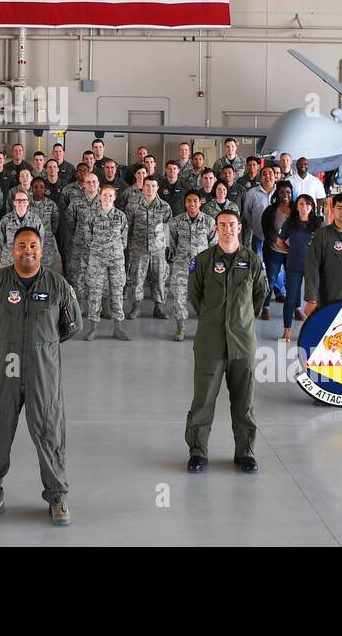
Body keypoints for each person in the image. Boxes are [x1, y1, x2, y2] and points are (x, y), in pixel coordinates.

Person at [0, 226, 80, 526]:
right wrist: (6, 343)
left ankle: (57, 497)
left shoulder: (58, 286)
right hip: (6, 369)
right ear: (12, 249)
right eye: (21, 245)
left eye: (33, 245)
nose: (27, 250)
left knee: (49, 433)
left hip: (42, 374)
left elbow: (72, 326)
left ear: (41, 250)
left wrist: (41, 349)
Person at [184, 211, 268, 474]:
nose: (227, 229)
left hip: (242, 342)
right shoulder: (203, 261)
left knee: (244, 401)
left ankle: (245, 452)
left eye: (232, 225)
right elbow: (194, 295)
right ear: (216, 229)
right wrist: (214, 319)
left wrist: (239, 320)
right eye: (222, 225)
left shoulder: (253, 261)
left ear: (239, 228)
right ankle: (198, 451)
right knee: (203, 399)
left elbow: (259, 296)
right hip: (210, 342)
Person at [166, 191, 217, 340]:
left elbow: (213, 244)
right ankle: (180, 329)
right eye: (189, 201)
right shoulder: (176, 222)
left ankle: (203, 330)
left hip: (202, 267)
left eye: (195, 200)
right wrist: (178, 257)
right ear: (185, 203)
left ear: (200, 202)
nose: (192, 204)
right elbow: (172, 242)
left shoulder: (209, 222)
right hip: (181, 265)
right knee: (179, 297)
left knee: (205, 299)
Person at [82, 184, 129, 340]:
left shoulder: (121, 216)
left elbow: (124, 239)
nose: (107, 198)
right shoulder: (92, 215)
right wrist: (99, 249)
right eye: (104, 195)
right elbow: (87, 237)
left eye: (110, 195)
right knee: (95, 293)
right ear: (100, 196)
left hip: (116, 260)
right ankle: (93, 328)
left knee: (117, 292)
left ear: (114, 197)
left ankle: (118, 328)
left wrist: (114, 250)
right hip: (97, 259)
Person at [276, 193, 321, 342]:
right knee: (290, 299)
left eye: (308, 204)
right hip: (294, 265)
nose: (304, 207)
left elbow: (323, 245)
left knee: (313, 300)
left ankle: (313, 329)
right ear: (296, 206)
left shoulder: (318, 223)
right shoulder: (290, 222)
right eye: (301, 204)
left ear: (312, 207)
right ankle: (287, 330)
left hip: (313, 267)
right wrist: (291, 251)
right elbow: (279, 241)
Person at [125, 177, 171, 319]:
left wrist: (167, 249)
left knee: (159, 278)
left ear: (157, 188)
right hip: (139, 249)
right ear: (143, 187)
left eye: (153, 186)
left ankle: (159, 307)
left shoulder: (164, 207)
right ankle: (136, 307)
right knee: (137, 278)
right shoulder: (133, 206)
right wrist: (129, 247)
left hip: (158, 250)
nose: (150, 189)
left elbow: (167, 228)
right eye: (147, 186)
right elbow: (128, 228)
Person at [260, 183, 294, 318]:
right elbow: (265, 228)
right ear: (277, 193)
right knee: (271, 279)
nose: (285, 195)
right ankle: (266, 306)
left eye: (288, 192)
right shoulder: (270, 210)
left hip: (292, 252)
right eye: (282, 192)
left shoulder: (297, 209)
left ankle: (295, 307)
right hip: (274, 251)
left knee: (292, 281)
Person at [0, 189, 44, 269]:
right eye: (18, 200)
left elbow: (40, 240)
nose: (21, 203)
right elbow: (1, 240)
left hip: (28, 258)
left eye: (24, 200)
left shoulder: (35, 220)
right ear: (14, 202)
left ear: (28, 202)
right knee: (7, 280)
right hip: (9, 260)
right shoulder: (6, 219)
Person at [27, 178, 62, 273]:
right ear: (31, 189)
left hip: (47, 243)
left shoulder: (51, 204)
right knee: (31, 268)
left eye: (42, 187)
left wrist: (49, 232)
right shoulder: (26, 204)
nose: (39, 190)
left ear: (45, 189)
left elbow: (55, 221)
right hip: (30, 243)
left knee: (47, 270)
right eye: (36, 187)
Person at [289, 157, 328, 221]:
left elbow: (321, 198)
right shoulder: (289, 180)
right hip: (294, 215)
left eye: (305, 164)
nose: (303, 165)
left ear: (308, 166)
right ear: (296, 165)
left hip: (311, 215)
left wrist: (318, 213)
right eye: (300, 164)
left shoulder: (316, 181)